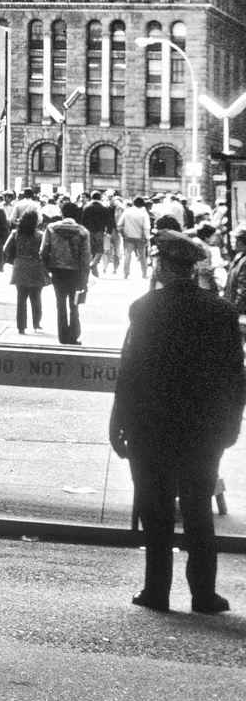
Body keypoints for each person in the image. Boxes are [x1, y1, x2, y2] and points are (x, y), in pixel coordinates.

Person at [110, 230, 244, 615]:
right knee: (199, 511)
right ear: (191, 268)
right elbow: (235, 376)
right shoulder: (220, 312)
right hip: (204, 429)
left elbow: (130, 373)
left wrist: (119, 424)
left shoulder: (144, 308)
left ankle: (157, 591)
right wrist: (232, 423)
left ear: (165, 266)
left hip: (151, 426)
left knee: (157, 511)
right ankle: (204, 595)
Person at [41, 203, 91, 345]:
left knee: (60, 303)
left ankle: (62, 336)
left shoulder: (51, 229)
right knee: (74, 304)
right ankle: (74, 335)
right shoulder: (83, 232)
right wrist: (85, 277)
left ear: (62, 213)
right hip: (76, 272)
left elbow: (43, 250)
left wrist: (47, 268)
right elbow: (86, 256)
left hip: (57, 270)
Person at [2, 210, 48, 335]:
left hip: (20, 266)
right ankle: (36, 323)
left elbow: (5, 249)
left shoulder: (15, 233)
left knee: (21, 298)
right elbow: (45, 252)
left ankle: (21, 326)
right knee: (36, 297)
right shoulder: (40, 235)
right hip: (36, 267)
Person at [120, 197, 151, 279]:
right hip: (140, 238)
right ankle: (144, 274)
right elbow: (146, 227)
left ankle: (126, 273)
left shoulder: (127, 211)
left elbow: (120, 224)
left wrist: (122, 233)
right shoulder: (144, 213)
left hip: (128, 237)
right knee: (142, 257)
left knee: (127, 255)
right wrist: (147, 238)